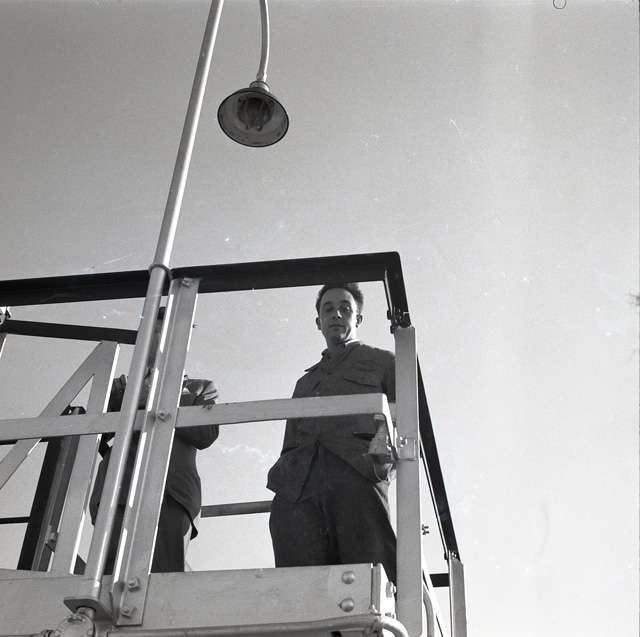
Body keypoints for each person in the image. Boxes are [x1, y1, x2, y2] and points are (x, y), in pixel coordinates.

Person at [267, 283, 397, 584]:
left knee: (367, 580)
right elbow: (290, 442)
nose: (336, 314)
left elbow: (404, 421)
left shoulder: (385, 362)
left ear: (358, 318)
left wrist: (381, 468)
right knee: (299, 585)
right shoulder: (305, 383)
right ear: (319, 322)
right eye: (328, 309)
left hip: (356, 478)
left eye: (345, 308)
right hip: (297, 488)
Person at [89, 308, 219, 573]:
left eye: (168, 332)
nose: (159, 338)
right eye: (154, 330)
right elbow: (91, 439)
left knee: (164, 580)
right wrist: (118, 406)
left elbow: (206, 434)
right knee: (108, 577)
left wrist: (155, 399)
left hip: (174, 494)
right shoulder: (120, 386)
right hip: (118, 488)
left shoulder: (200, 387)